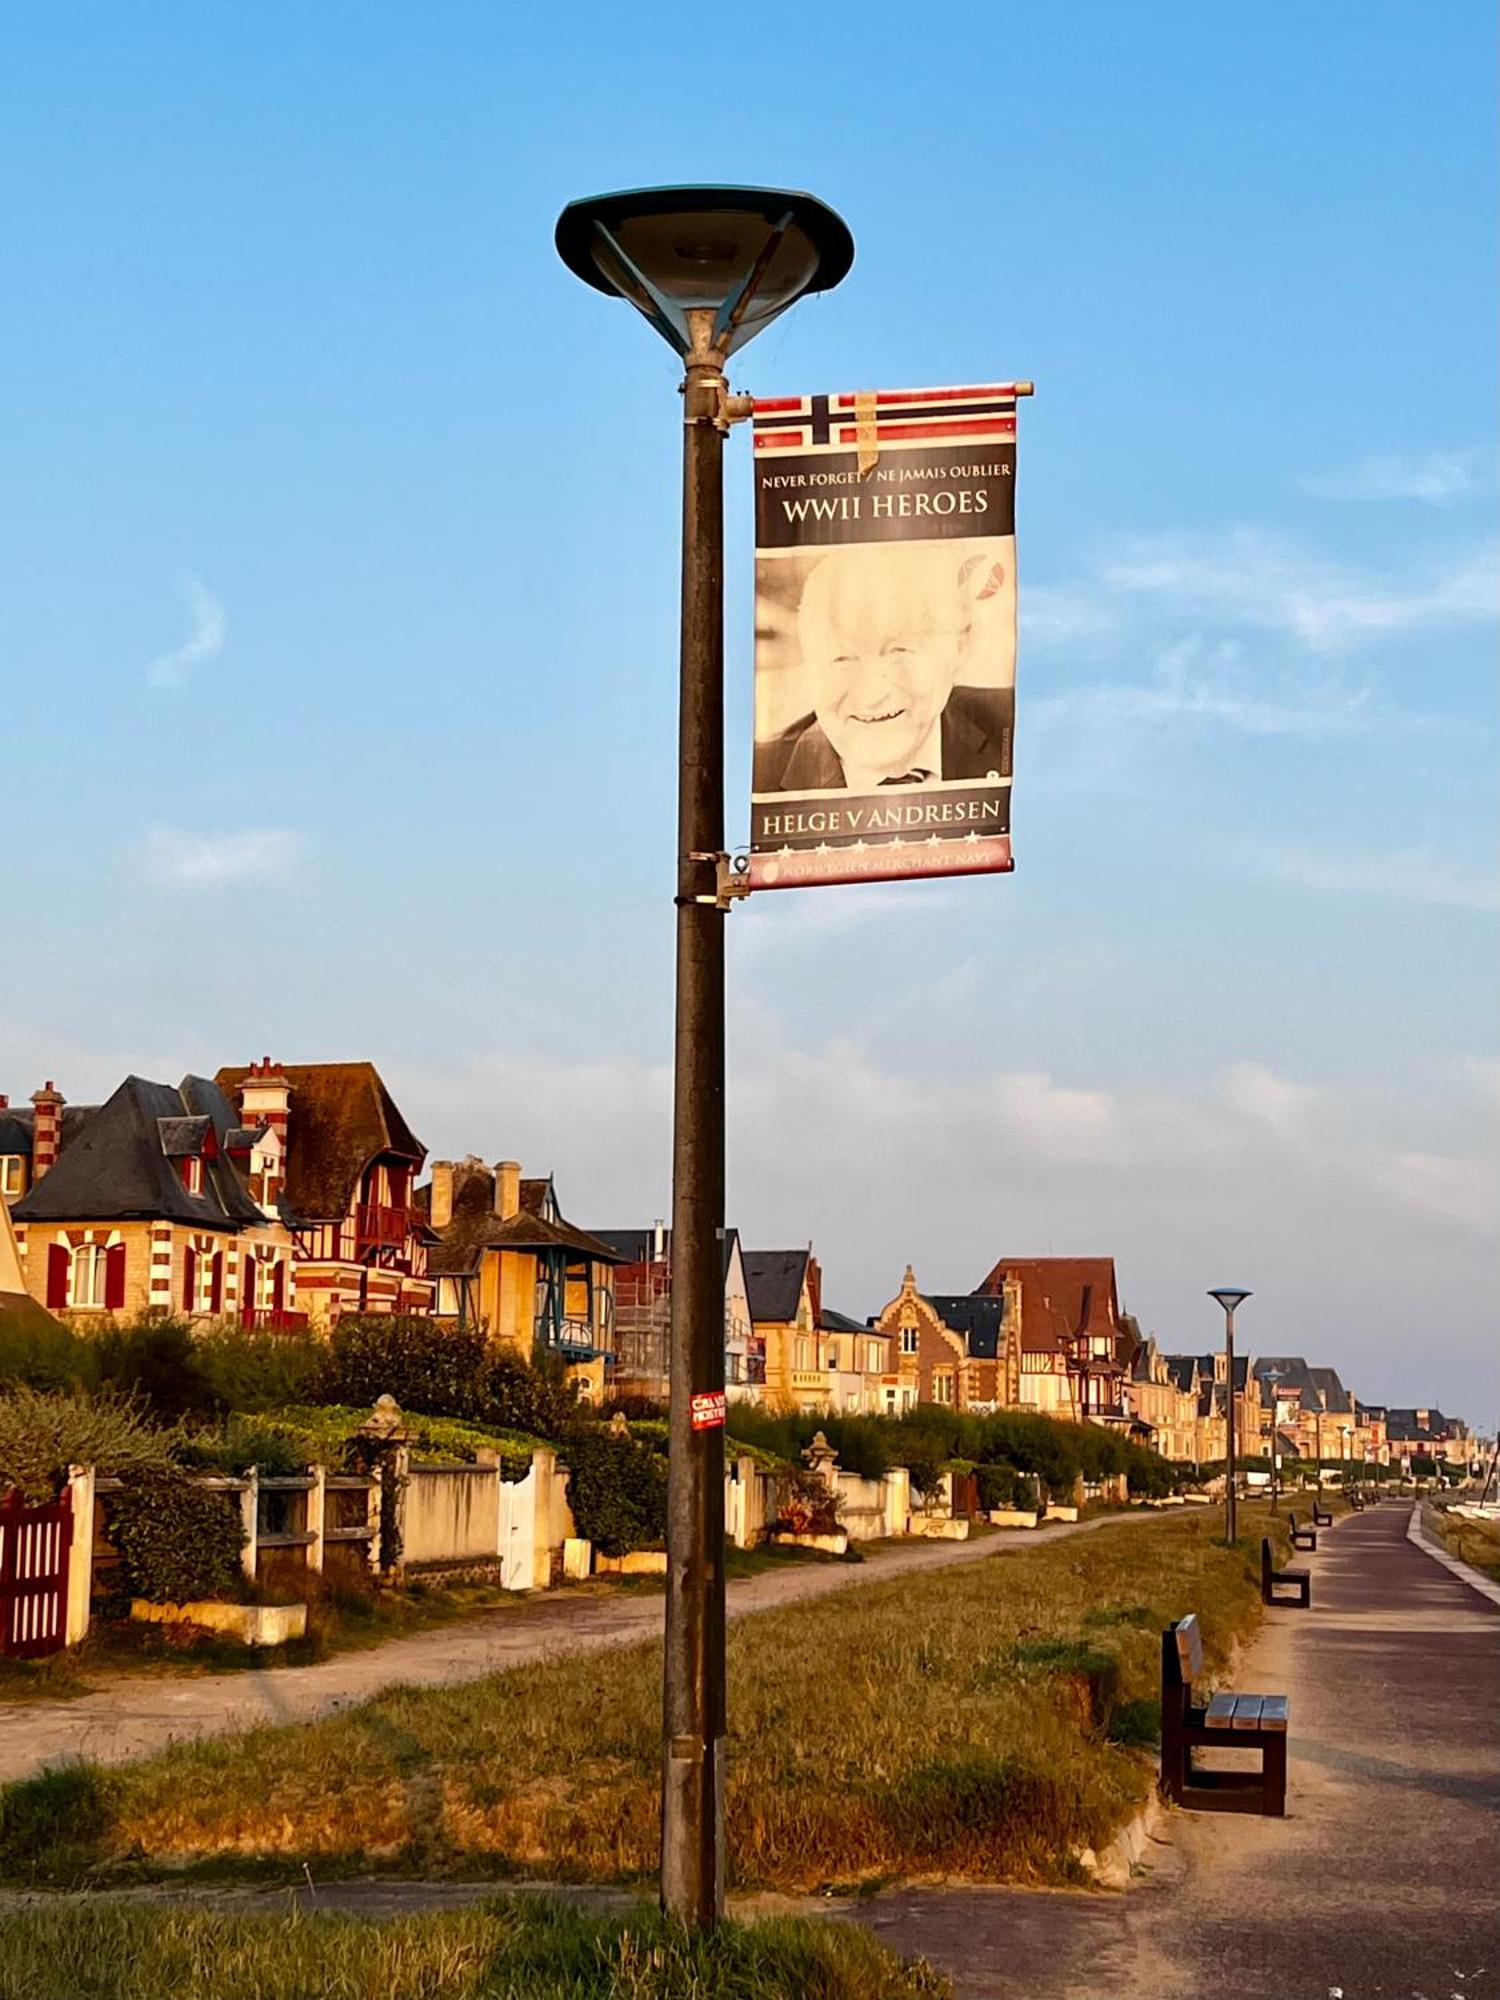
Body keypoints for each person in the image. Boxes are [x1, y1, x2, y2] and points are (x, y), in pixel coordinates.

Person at [753, 541, 1013, 794]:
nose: (871, 695)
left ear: (959, 645)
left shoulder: (1014, 725)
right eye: (841, 659)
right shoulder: (757, 778)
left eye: (899, 651)